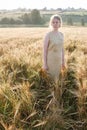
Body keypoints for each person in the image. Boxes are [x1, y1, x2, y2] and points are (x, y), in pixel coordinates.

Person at [42, 14, 66, 83]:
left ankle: (56, 93)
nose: (55, 24)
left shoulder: (61, 35)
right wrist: (45, 64)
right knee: (50, 80)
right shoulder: (48, 35)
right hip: (50, 61)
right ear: (51, 23)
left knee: (58, 80)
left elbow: (62, 49)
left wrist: (63, 62)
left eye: (57, 22)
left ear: (60, 23)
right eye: (53, 22)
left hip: (59, 61)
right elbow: (45, 51)